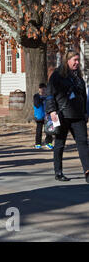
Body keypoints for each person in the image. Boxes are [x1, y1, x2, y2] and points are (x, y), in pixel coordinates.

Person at [46, 49, 88, 183]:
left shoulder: (78, 76)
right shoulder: (57, 75)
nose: (77, 62)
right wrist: (52, 111)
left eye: (78, 60)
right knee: (59, 144)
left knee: (83, 144)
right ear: (67, 60)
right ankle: (58, 172)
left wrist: (86, 112)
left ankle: (87, 171)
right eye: (74, 60)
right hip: (62, 115)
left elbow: (84, 96)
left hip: (78, 116)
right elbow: (50, 95)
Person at [34, 83, 53, 150]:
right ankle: (38, 143)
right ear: (39, 89)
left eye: (44, 89)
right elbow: (37, 104)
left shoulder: (48, 96)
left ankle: (48, 143)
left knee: (49, 130)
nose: (43, 90)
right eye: (41, 89)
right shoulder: (36, 96)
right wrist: (43, 99)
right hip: (39, 116)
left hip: (47, 116)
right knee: (39, 130)